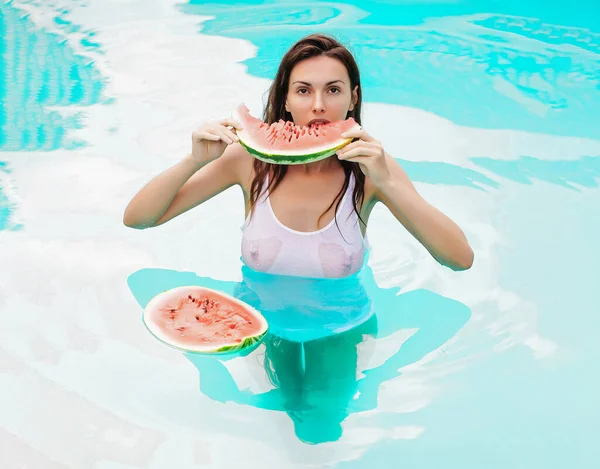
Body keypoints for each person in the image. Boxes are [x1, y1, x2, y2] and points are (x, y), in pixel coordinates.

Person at [123, 33, 474, 277]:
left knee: (327, 389)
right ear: (287, 100)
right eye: (304, 91)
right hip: (258, 321)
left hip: (342, 323)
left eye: (333, 90)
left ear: (353, 97)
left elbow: (460, 259)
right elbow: (138, 219)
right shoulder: (247, 161)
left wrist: (388, 184)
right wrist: (194, 161)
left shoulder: (372, 168)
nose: (319, 105)